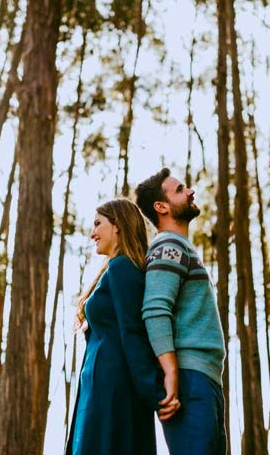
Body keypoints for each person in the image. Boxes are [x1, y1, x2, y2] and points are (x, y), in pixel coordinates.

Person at [66, 198, 171, 455]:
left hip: (113, 395)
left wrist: (156, 393)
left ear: (117, 226)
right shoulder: (114, 269)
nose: (92, 233)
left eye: (98, 224)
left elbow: (133, 334)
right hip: (99, 391)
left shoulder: (124, 269)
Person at [135, 168, 227, 455]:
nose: (190, 192)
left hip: (203, 379)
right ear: (161, 207)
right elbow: (155, 309)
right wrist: (171, 373)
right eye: (179, 190)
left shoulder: (180, 247)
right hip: (188, 381)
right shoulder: (169, 245)